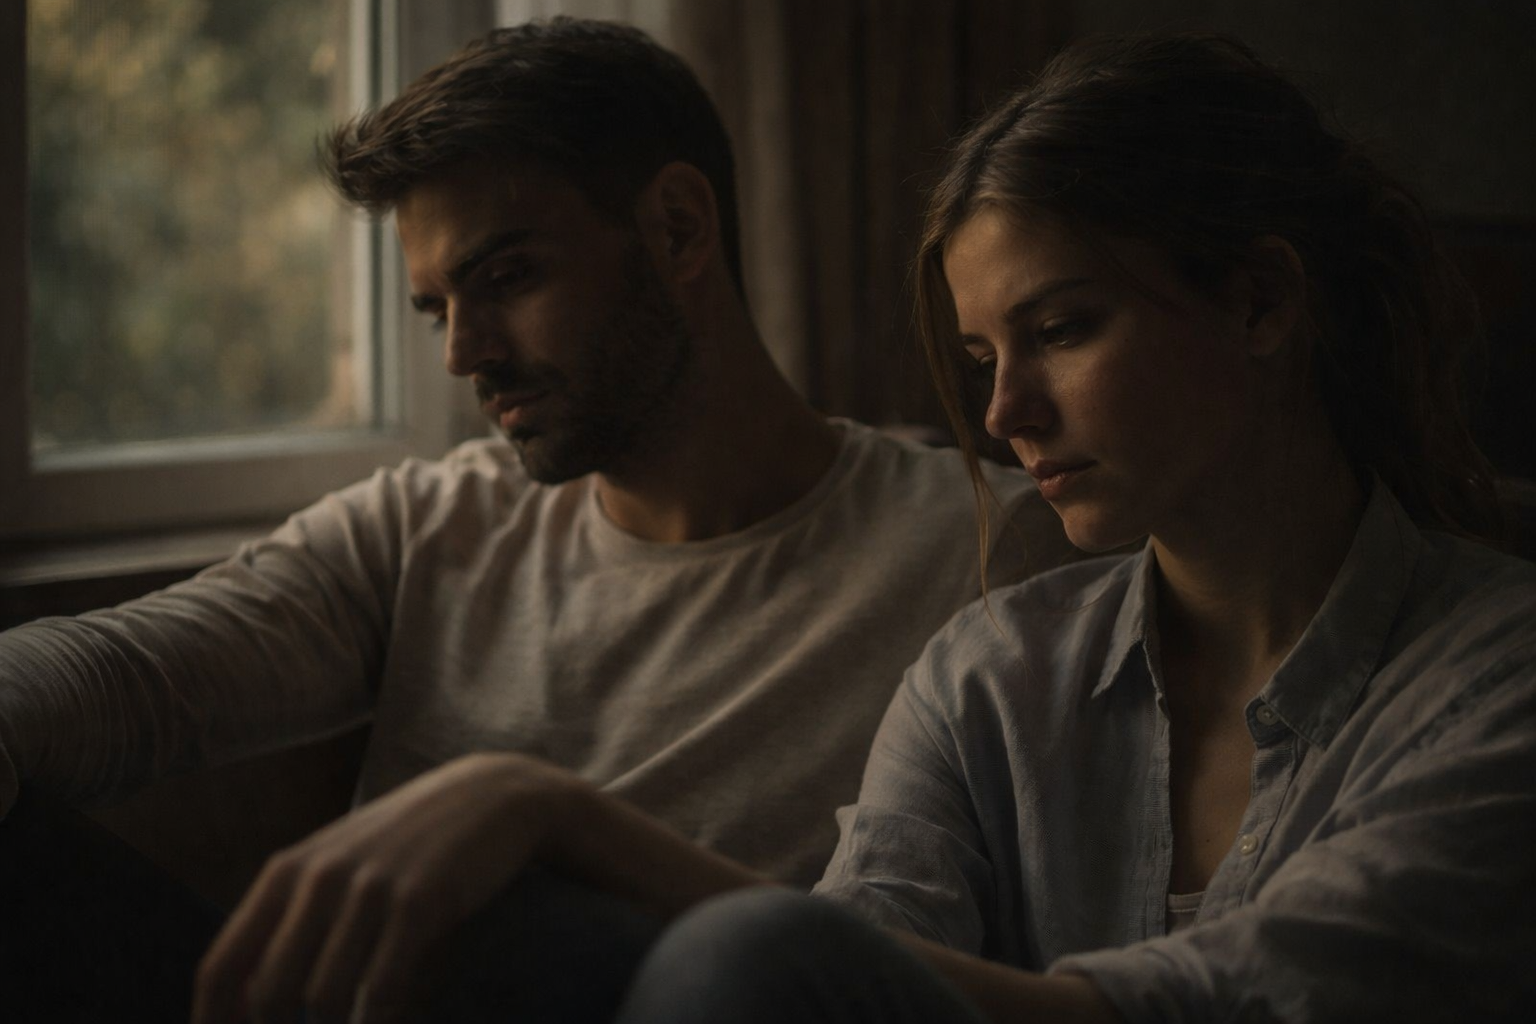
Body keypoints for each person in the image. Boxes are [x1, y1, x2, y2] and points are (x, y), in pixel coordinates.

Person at [177, 30, 1536, 1024]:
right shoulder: (992, 669)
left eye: (1060, 329)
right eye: (981, 353)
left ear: (1256, 304)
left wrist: (541, 806)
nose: (1006, 412)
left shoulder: (1497, 677)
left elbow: (1210, 1007)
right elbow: (852, 961)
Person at [0, 15, 1070, 1021]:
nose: (465, 351)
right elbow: (136, 676)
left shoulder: (990, 546)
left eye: (506, 276)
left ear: (678, 227)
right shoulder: (429, 522)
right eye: (434, 309)